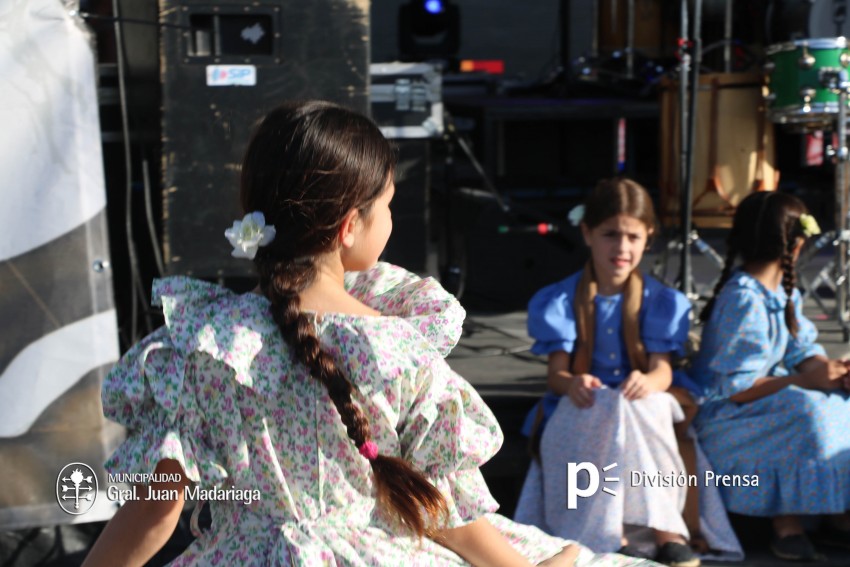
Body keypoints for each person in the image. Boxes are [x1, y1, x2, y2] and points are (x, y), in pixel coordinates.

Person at [81, 101, 657, 566]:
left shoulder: (199, 346)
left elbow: (155, 511)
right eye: (387, 205)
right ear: (348, 226)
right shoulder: (393, 347)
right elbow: (444, 509)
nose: (391, 219)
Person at [513, 178, 736, 567]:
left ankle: (667, 531)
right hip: (587, 404)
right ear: (587, 233)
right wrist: (574, 382)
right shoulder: (561, 299)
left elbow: (662, 371)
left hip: (641, 403)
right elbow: (557, 376)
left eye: (633, 237)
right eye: (610, 235)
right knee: (606, 410)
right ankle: (610, 533)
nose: (622, 247)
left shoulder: (661, 301)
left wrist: (648, 380)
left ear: (648, 238)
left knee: (642, 408)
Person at [693, 191, 850, 562]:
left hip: (763, 399)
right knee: (805, 411)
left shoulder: (781, 291)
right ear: (796, 244)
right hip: (724, 417)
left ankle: (837, 512)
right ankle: (786, 523)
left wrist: (831, 372)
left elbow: (800, 349)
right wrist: (805, 382)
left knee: (838, 401)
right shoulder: (744, 299)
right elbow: (736, 388)